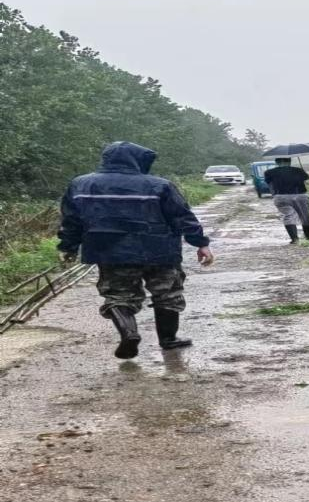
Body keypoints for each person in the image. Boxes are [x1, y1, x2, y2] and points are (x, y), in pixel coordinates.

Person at [57, 141, 214, 358]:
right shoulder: (160, 185)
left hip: (110, 252)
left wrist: (68, 247)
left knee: (118, 296)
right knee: (167, 293)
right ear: (137, 160)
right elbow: (182, 217)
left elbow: (71, 221)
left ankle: (129, 333)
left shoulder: (80, 184)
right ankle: (168, 339)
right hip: (160, 251)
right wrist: (201, 243)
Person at [264, 156, 309, 243]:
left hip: (281, 196)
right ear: (290, 162)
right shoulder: (298, 170)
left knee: (288, 216)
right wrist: (306, 175)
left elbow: (270, 184)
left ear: (277, 162)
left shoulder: (269, 172)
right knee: (305, 216)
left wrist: (274, 195)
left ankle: (295, 239)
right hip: (300, 195)